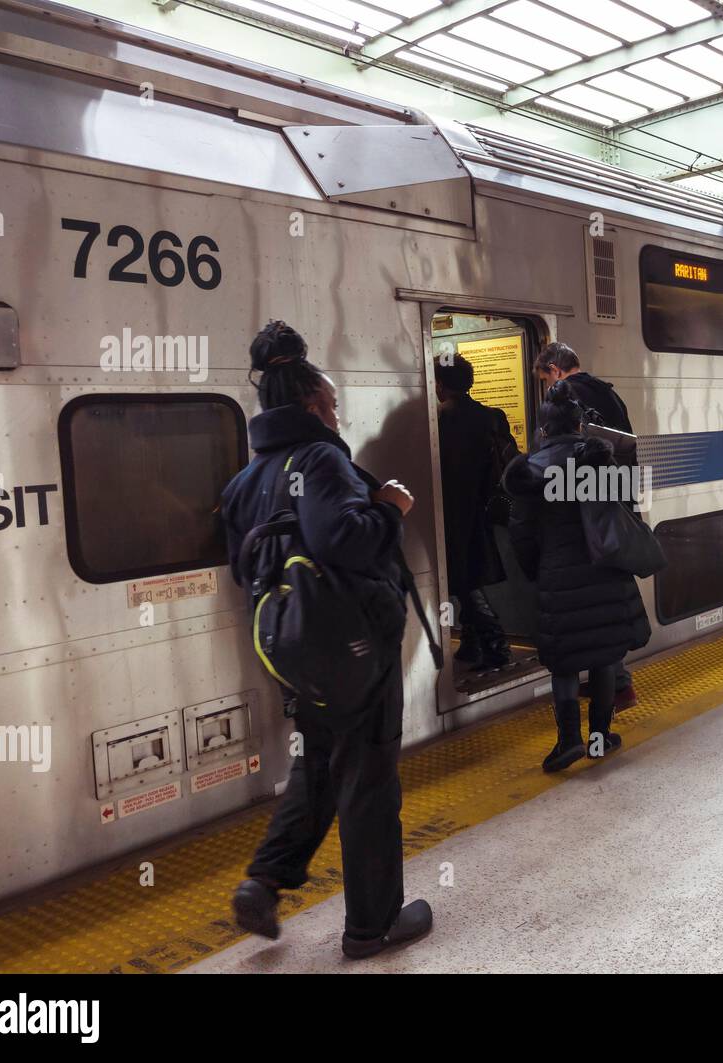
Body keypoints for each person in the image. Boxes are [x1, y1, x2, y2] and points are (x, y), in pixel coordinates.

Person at [220, 320, 432, 959]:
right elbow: (346, 540)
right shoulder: (320, 458)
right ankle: (373, 926)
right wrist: (389, 507)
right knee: (367, 777)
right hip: (353, 649)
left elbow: (242, 569)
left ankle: (265, 880)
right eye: (333, 404)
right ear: (313, 403)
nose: (338, 416)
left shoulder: (245, 480)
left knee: (318, 764)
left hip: (293, 650)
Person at [503, 381, 651, 773]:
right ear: (579, 425)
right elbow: (624, 512)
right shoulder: (601, 460)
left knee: (564, 662)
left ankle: (567, 741)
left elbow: (521, 532)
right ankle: (599, 740)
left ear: (543, 430)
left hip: (557, 573)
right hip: (605, 571)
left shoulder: (531, 470)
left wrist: (538, 570)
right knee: (604, 656)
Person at [533, 341, 640, 710]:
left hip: (582, 515)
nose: (548, 385)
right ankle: (613, 690)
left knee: (587, 606)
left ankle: (616, 687)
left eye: (546, 377)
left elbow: (556, 458)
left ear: (555, 370)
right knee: (606, 601)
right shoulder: (609, 394)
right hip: (613, 505)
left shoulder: (567, 400)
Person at [434, 354, 517, 671]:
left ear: (439, 385)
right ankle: (471, 643)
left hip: (453, 511)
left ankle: (496, 644)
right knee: (466, 576)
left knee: (465, 581)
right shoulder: (491, 416)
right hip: (483, 508)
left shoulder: (438, 419)